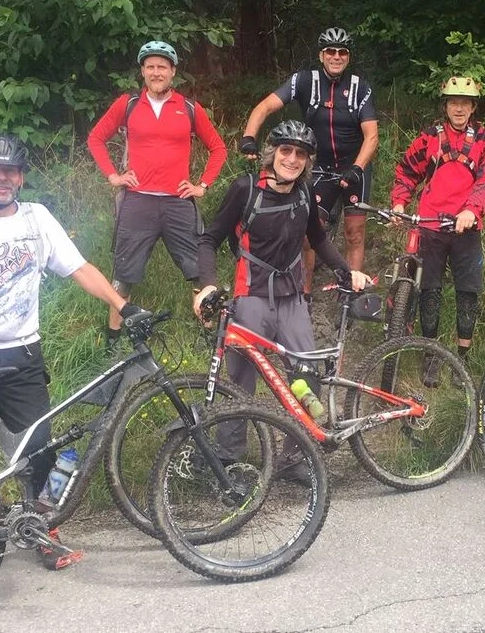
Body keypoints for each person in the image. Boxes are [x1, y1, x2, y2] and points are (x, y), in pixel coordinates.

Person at [0, 133, 137, 575]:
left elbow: (80, 269)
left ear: (21, 177)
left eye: (12, 171)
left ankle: (41, 527)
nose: (3, 178)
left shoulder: (38, 220)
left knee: (38, 447)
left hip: (21, 354)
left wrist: (124, 306)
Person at [193, 121, 369, 476]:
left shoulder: (305, 193)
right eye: (286, 151)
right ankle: (229, 456)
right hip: (250, 296)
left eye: (300, 154)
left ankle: (294, 457)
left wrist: (345, 271)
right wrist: (208, 285)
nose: (292, 159)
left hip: (292, 299)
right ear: (273, 154)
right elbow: (207, 240)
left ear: (306, 161)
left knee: (307, 373)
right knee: (240, 380)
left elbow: (318, 240)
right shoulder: (245, 190)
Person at [87, 40, 227, 349]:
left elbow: (218, 147)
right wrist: (113, 175)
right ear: (142, 72)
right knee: (124, 274)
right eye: (150, 66)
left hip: (178, 202)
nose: (156, 72)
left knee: (197, 273)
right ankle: (113, 341)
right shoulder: (128, 104)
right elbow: (96, 138)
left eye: (162, 66)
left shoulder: (188, 108)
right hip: (137, 202)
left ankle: (209, 340)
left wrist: (202, 185)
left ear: (173, 71)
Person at [239, 27, 379, 293]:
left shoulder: (361, 87)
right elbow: (264, 107)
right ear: (321, 55)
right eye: (330, 51)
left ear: (348, 57)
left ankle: (351, 294)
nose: (336, 57)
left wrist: (357, 168)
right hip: (320, 167)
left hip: (354, 166)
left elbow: (371, 136)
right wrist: (249, 137)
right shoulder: (304, 80)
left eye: (342, 52)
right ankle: (304, 296)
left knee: (355, 233)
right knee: (309, 236)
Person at [391, 76, 485, 388]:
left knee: (468, 291)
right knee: (430, 290)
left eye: (465, 102)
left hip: (467, 226)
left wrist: (472, 209)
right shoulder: (429, 137)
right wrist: (400, 203)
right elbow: (406, 171)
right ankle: (431, 356)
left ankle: (461, 361)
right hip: (430, 225)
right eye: (453, 101)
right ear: (445, 105)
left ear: (473, 107)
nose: (459, 107)